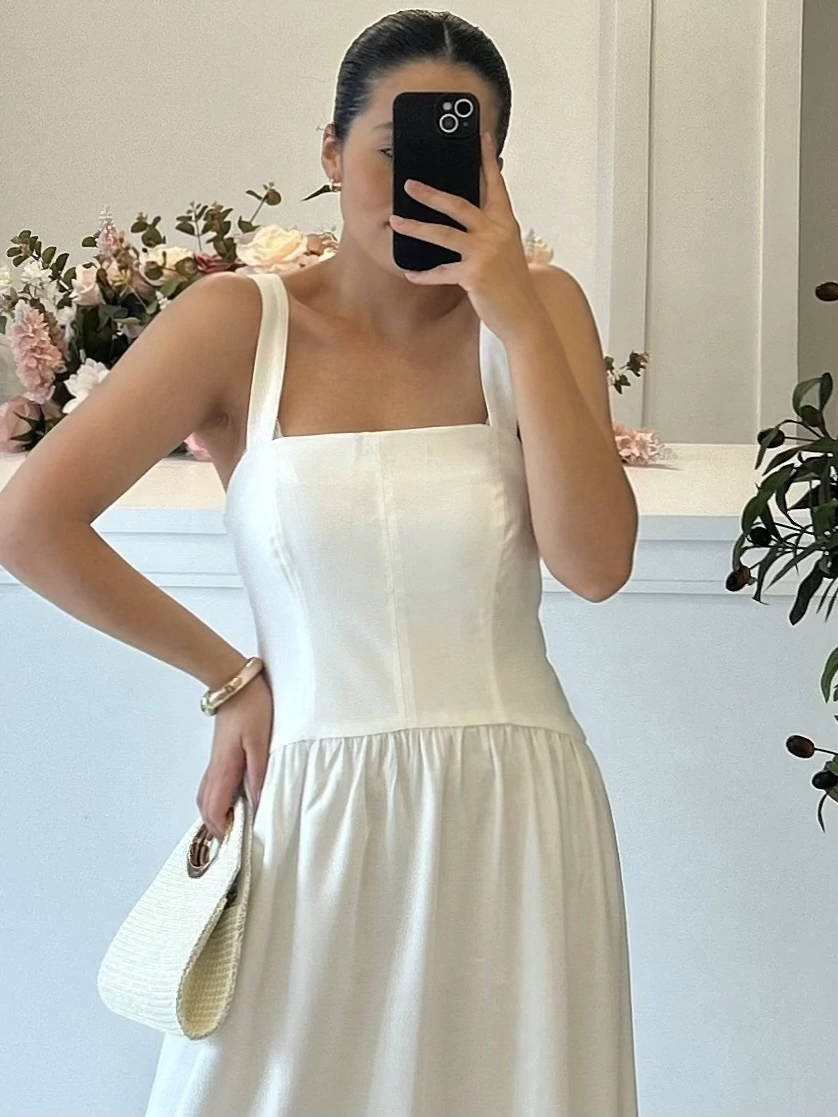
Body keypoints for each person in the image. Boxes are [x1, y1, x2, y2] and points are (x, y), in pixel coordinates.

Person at [0, 9, 639, 1116]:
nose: (420, 183)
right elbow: (30, 523)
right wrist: (230, 677)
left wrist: (520, 320)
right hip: (312, 805)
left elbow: (594, 564)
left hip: (517, 810)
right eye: (393, 149)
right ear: (333, 153)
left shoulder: (543, 314)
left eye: (463, 153)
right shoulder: (237, 322)